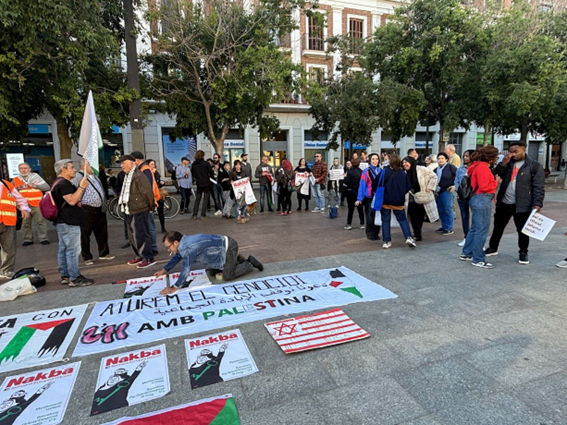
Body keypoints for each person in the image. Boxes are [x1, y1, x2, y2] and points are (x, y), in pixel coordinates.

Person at [484, 142, 545, 265]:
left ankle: (523, 252)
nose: (513, 154)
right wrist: (503, 164)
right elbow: (494, 175)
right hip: (505, 202)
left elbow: (538, 187)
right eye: (511, 151)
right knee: (498, 227)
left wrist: (537, 203)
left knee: (522, 230)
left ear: (524, 150)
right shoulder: (507, 164)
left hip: (522, 204)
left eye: (516, 151)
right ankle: (493, 247)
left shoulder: (534, 166)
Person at [155, 231, 264, 295]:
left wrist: (175, 287)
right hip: (220, 251)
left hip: (229, 247)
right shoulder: (183, 244)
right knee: (212, 272)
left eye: (168, 247)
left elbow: (186, 268)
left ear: (175, 242)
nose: (168, 250)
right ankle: (236, 259)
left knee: (227, 276)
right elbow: (177, 257)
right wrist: (163, 270)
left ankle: (248, 263)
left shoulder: (187, 247)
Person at [51, 159, 94, 286]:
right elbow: (71, 200)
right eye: (71, 167)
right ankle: (74, 277)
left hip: (62, 221)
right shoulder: (63, 184)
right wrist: (81, 187)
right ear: (63, 170)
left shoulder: (57, 183)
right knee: (72, 250)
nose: (74, 169)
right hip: (68, 221)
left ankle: (65, 275)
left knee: (63, 248)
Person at [459, 146, 500, 269]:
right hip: (482, 199)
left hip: (476, 199)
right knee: (481, 230)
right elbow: (484, 186)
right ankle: (478, 258)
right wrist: (496, 181)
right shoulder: (482, 167)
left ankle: (467, 253)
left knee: (475, 228)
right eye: (496, 156)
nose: (497, 158)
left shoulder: (475, 166)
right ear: (491, 158)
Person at [72, 159, 115, 266]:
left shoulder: (94, 176)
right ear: (84, 166)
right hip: (86, 209)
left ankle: (104, 253)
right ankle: (86, 256)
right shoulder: (78, 176)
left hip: (99, 209)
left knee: (102, 232)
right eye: (91, 165)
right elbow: (73, 190)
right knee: (85, 234)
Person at [117, 155, 156, 269]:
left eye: (124, 163)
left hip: (139, 208)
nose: (121, 165)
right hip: (129, 209)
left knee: (141, 234)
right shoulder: (127, 175)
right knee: (132, 235)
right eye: (121, 163)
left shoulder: (139, 175)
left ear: (132, 163)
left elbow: (148, 192)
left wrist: (151, 206)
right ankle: (139, 255)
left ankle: (148, 257)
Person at [380, 154, 415, 249]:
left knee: (385, 221)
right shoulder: (403, 174)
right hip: (399, 201)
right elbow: (408, 187)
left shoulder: (384, 171)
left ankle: (387, 241)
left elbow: (377, 183)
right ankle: (408, 237)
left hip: (386, 200)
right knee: (403, 219)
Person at [402, 156, 438, 241]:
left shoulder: (421, 169)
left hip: (422, 196)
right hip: (410, 197)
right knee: (413, 216)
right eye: (403, 163)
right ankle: (417, 234)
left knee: (420, 216)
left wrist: (429, 187)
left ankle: (418, 231)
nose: (404, 164)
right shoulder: (404, 173)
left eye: (406, 162)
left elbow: (434, 176)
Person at [13, 162, 49, 246]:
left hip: (37, 203)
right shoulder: (15, 180)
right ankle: (28, 239)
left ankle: (43, 238)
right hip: (24, 206)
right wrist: (17, 188)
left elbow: (47, 187)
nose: (23, 170)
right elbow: (10, 192)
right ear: (19, 170)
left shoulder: (36, 177)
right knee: (25, 224)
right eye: (21, 168)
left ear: (29, 169)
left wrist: (35, 186)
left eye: (25, 168)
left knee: (40, 222)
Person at [131, 151, 159, 255]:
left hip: (148, 202)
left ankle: (153, 247)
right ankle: (152, 246)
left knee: (149, 226)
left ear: (136, 160)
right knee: (148, 225)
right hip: (148, 202)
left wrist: (149, 203)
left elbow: (147, 188)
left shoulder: (145, 169)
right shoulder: (143, 169)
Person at [0, 178, 29, 280]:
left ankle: (6, 270)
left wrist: (24, 209)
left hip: (8, 221)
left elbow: (20, 199)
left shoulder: (6, 184)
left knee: (9, 248)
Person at [355, 153, 381, 240]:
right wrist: (359, 198)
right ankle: (370, 234)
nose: (375, 161)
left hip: (378, 197)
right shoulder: (366, 171)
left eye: (376, 159)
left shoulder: (380, 170)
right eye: (373, 159)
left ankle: (376, 233)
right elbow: (362, 185)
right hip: (369, 197)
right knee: (370, 216)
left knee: (377, 215)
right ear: (369, 160)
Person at [454, 150, 475, 246]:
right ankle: (466, 237)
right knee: (464, 216)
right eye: (464, 156)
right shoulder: (460, 169)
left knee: (476, 218)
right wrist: (459, 192)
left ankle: (475, 239)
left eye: (467, 156)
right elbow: (457, 181)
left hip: (474, 196)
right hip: (463, 196)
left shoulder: (476, 167)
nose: (465, 158)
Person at [435, 152, 457, 235]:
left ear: (446, 159)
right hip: (438, 191)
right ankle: (444, 226)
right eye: (439, 158)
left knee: (448, 209)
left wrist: (454, 186)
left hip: (447, 191)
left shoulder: (450, 167)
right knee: (441, 209)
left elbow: (459, 176)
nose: (440, 160)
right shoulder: (436, 169)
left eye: (442, 158)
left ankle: (449, 227)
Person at [191, 150, 215, 219]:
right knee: (205, 199)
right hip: (206, 182)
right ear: (203, 156)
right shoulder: (206, 163)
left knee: (197, 199)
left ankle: (194, 214)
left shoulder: (194, 164)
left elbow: (193, 174)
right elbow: (211, 172)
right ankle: (203, 214)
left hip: (199, 183)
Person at [343, 158, 364, 230]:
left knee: (351, 209)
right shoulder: (361, 171)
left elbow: (346, 182)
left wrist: (345, 177)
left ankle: (349, 224)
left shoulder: (350, 172)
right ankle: (362, 223)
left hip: (351, 191)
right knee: (360, 209)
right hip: (359, 192)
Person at [148, 159, 166, 233]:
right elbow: (150, 184)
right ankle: (150, 228)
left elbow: (157, 183)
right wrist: (152, 173)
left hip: (158, 194)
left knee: (161, 211)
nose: (153, 166)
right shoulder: (147, 173)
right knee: (150, 212)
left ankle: (163, 227)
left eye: (154, 164)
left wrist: (162, 183)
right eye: (151, 164)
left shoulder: (156, 173)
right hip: (151, 195)